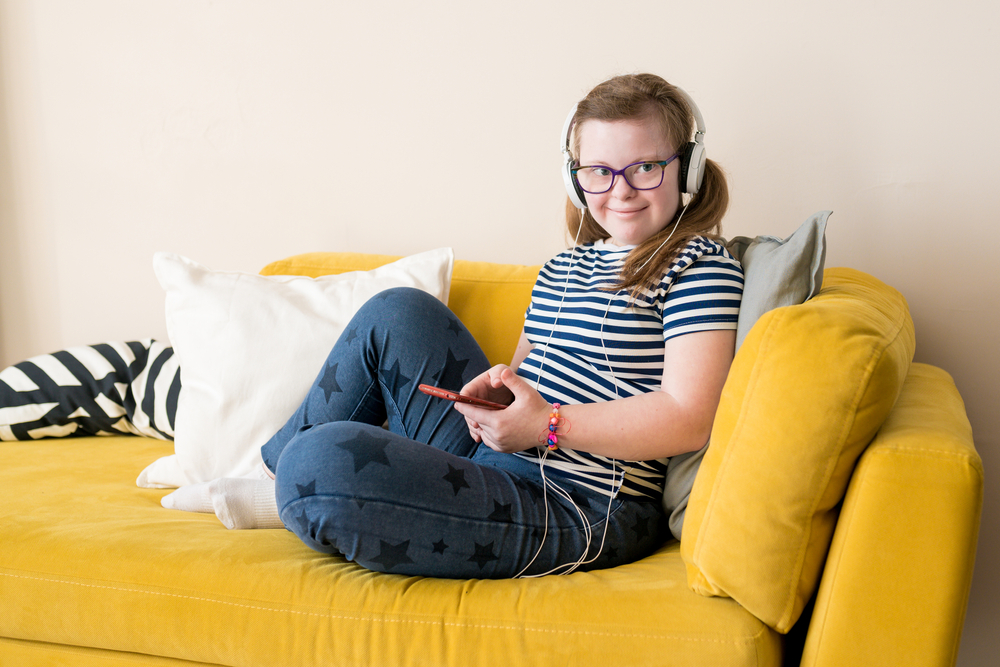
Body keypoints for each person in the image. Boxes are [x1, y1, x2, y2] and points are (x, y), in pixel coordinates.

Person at [20, 73, 745, 579]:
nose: (619, 191)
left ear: (685, 166)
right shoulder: (566, 263)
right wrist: (499, 395)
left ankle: (286, 483)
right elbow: (525, 369)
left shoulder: (698, 263)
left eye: (645, 168)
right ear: (574, 176)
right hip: (512, 454)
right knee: (398, 312)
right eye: (599, 171)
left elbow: (690, 415)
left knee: (325, 462)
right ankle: (256, 472)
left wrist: (546, 425)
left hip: (581, 503)